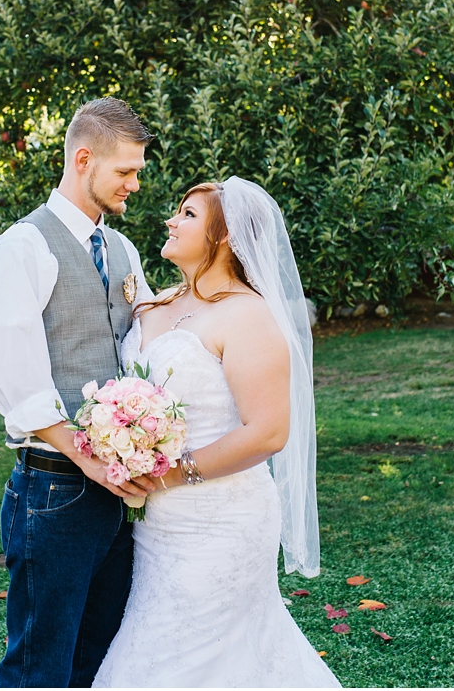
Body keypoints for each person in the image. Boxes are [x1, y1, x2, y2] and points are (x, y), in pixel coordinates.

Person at [91, 178, 336, 687]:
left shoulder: (248, 315)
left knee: (183, 656)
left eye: (187, 214)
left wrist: (172, 475)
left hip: (222, 521)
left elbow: (268, 432)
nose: (170, 221)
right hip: (157, 522)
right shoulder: (160, 303)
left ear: (223, 237)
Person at [0, 97, 153, 688]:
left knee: (100, 660)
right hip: (54, 488)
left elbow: (143, 350)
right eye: (125, 172)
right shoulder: (19, 250)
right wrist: (91, 460)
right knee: (39, 664)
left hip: (121, 495)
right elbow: (15, 380)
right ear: (82, 159)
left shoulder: (124, 252)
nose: (133, 185)